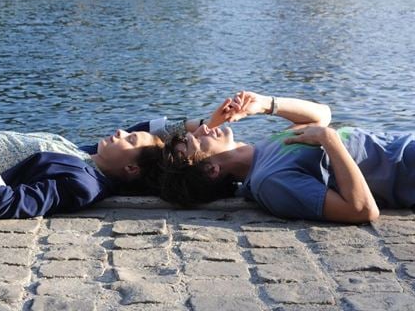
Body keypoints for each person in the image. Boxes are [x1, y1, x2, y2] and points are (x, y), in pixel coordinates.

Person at [0, 101, 233, 219]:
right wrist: (207, 121)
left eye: (129, 139)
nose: (121, 131)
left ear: (131, 168)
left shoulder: (83, 183)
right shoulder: (90, 155)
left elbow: (7, 205)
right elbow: (150, 130)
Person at [160, 91, 415, 224]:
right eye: (194, 140)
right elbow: (361, 210)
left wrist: (266, 105)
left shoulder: (264, 148)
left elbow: (321, 115)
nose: (203, 128)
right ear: (211, 170)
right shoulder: (270, 183)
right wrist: (331, 141)